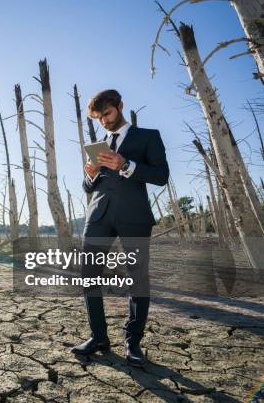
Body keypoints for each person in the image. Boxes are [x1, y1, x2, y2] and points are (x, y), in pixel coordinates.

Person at [70, 89, 169, 367]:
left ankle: (132, 341)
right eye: (99, 118)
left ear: (120, 106)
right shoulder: (99, 145)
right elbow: (89, 187)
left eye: (108, 114)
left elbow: (162, 175)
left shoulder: (148, 136)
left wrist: (127, 165)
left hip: (133, 215)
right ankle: (98, 337)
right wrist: (89, 176)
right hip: (99, 216)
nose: (104, 121)